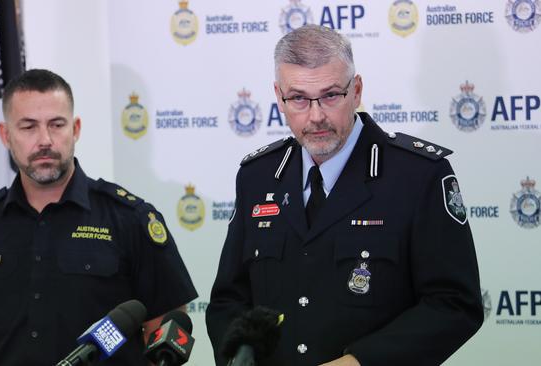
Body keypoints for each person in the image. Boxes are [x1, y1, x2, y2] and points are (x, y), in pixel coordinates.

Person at [206, 25, 483, 366]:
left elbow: (454, 304)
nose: (317, 115)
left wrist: (359, 362)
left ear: (357, 90)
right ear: (279, 97)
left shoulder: (418, 174)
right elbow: (228, 300)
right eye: (299, 99)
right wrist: (239, 353)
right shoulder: (257, 176)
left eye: (331, 95)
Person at [0, 69, 198, 365]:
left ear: (75, 129)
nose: (44, 140)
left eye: (56, 125)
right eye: (28, 127)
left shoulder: (130, 219)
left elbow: (164, 328)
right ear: (5, 135)